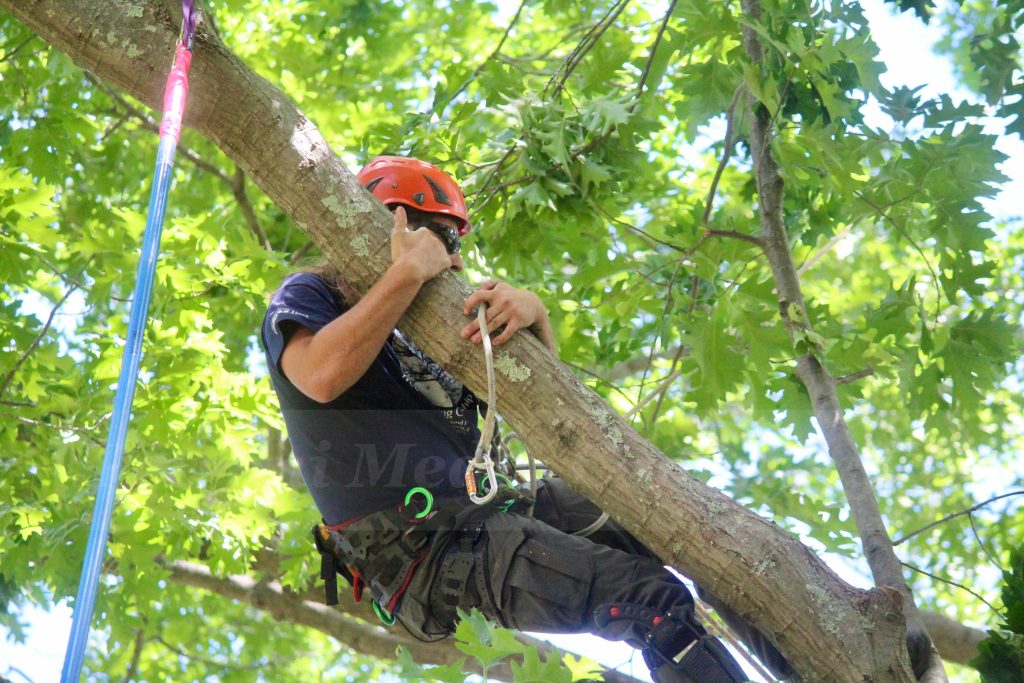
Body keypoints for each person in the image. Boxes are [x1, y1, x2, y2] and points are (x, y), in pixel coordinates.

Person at [260, 155, 792, 682]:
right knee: (650, 601)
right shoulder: (313, 295)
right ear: (391, 223)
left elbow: (537, 410)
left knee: (694, 533)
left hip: (500, 508)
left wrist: (533, 317)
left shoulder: (426, 319)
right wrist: (406, 272)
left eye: (455, 245)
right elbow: (320, 375)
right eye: (443, 241)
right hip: (429, 548)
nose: (454, 261)